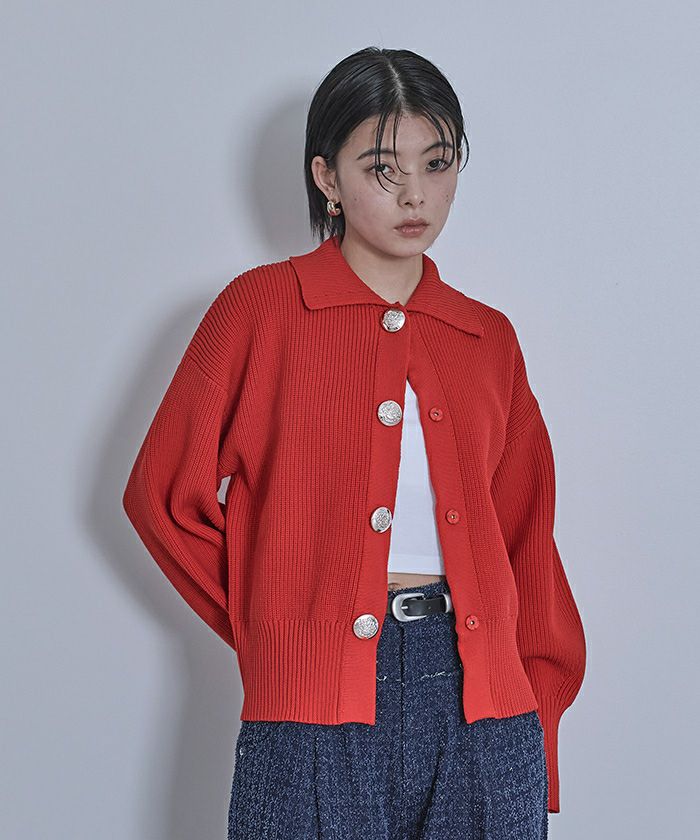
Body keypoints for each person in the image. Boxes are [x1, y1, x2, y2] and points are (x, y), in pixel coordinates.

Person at [122, 46, 586, 839]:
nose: (415, 194)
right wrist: (286, 634)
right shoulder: (261, 311)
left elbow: (528, 542)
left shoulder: (485, 339)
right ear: (326, 178)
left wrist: (534, 714)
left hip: (484, 714)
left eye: (436, 163)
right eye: (382, 168)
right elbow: (164, 497)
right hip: (309, 722)